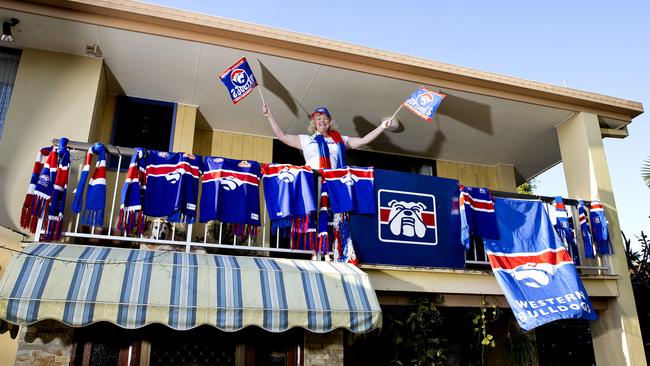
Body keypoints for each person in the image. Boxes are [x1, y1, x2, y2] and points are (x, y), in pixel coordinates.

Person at [263, 104, 394, 169]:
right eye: (318, 119)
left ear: (329, 121)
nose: (322, 121)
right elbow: (281, 136)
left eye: (325, 118)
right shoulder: (306, 139)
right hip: (313, 178)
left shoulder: (339, 140)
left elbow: (363, 140)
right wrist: (269, 115)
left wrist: (382, 126)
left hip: (334, 179)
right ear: (314, 123)